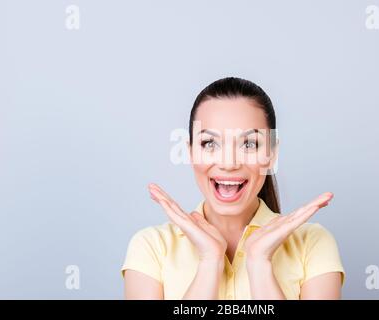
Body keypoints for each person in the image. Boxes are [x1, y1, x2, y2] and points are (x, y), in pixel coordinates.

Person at [121, 77, 345, 299]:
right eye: (210, 143)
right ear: (190, 152)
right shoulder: (151, 247)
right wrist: (210, 261)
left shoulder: (313, 243)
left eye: (249, 144)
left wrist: (260, 263)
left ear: (271, 154)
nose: (229, 163)